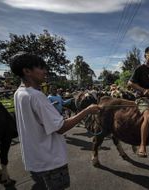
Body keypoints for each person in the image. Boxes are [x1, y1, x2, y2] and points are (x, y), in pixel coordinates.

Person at [10, 52, 101, 190]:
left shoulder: (19, 93)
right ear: (27, 71)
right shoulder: (36, 96)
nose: (45, 71)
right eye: (40, 68)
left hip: (36, 158)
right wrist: (87, 110)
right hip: (50, 160)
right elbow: (61, 128)